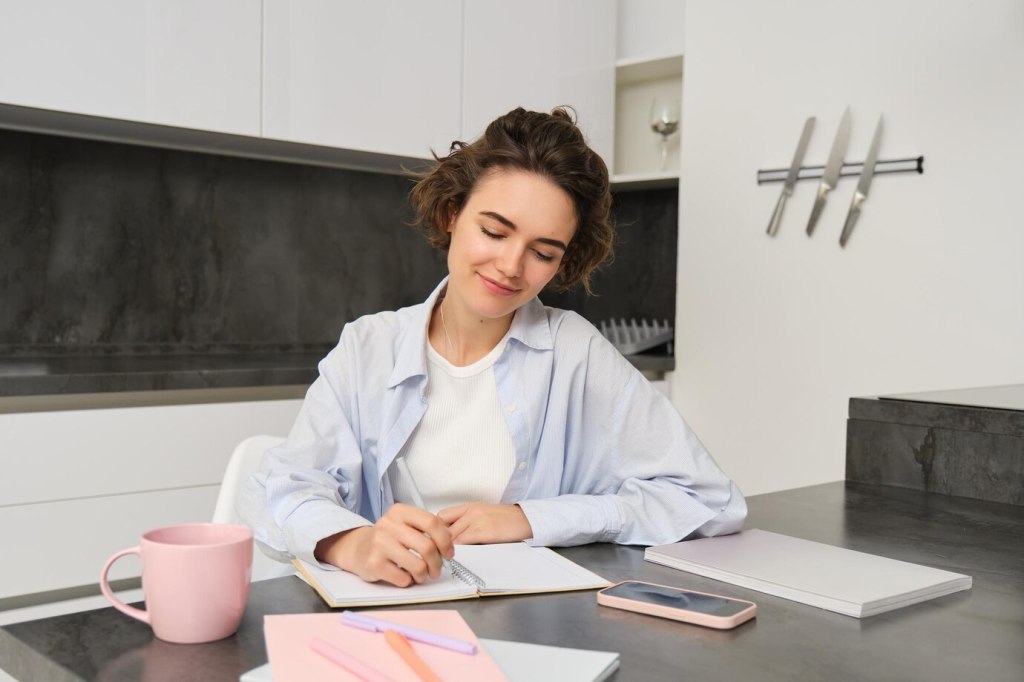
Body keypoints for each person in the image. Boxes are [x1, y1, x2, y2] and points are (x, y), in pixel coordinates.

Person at [238, 106, 746, 588]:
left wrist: (533, 519)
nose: (510, 266)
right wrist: (352, 543)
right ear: (451, 214)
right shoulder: (368, 347)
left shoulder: (576, 354)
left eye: (543, 252)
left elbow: (709, 499)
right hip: (393, 622)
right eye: (494, 231)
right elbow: (282, 489)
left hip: (534, 628)